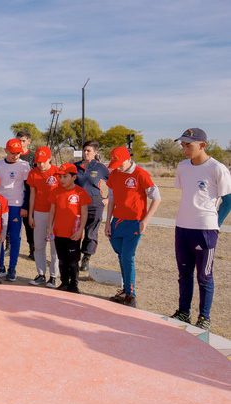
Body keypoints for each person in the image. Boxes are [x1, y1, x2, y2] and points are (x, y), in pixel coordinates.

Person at [170, 128, 231, 330]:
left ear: (203, 145)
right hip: (182, 227)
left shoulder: (217, 168)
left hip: (205, 230)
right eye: (183, 144)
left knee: (204, 276)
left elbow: (228, 200)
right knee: (183, 273)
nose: (184, 149)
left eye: (189, 145)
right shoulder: (182, 167)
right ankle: (183, 312)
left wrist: (216, 223)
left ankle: (204, 317)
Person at [105, 145, 161, 308]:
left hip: (134, 222)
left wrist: (145, 221)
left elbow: (156, 198)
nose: (118, 168)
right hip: (117, 221)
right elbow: (112, 199)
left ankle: (130, 294)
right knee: (120, 254)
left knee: (127, 257)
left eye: (120, 164)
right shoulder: (114, 174)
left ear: (128, 159)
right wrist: (108, 221)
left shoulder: (141, 174)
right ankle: (125, 289)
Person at [46, 163, 91, 293]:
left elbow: (84, 213)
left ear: (74, 177)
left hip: (73, 234)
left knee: (73, 261)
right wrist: (50, 227)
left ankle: (74, 284)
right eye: (60, 177)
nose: (62, 180)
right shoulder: (56, 191)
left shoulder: (80, 192)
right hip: (58, 232)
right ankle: (64, 282)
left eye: (65, 177)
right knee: (62, 259)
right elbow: (52, 211)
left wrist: (80, 230)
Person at [0, 138, 31, 281]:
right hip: (0, 206)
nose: (15, 155)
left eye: (18, 153)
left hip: (16, 205)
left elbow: (28, 188)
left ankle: (12, 268)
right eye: (12, 152)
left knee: (15, 238)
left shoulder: (24, 165)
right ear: (6, 150)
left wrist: (25, 206)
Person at [27, 146, 60, 288]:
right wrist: (31, 215)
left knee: (54, 247)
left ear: (50, 159)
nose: (40, 164)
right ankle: (41, 274)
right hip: (39, 213)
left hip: (55, 213)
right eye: (38, 162)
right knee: (39, 245)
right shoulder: (33, 173)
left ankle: (53, 277)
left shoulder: (58, 172)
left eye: (43, 161)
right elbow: (32, 194)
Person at [74, 141, 110, 271]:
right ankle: (74, 257)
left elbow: (114, 184)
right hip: (76, 204)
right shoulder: (75, 166)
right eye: (84, 150)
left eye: (89, 151)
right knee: (75, 231)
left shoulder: (100, 168)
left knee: (91, 232)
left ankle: (86, 257)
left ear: (95, 152)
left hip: (94, 204)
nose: (85, 153)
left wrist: (107, 199)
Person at [16, 131, 36, 260]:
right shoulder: (13, 155)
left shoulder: (33, 157)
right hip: (14, 194)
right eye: (18, 140)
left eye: (23, 140)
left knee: (29, 224)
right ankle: (9, 246)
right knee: (12, 223)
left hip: (29, 194)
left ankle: (32, 248)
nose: (20, 143)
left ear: (28, 141)